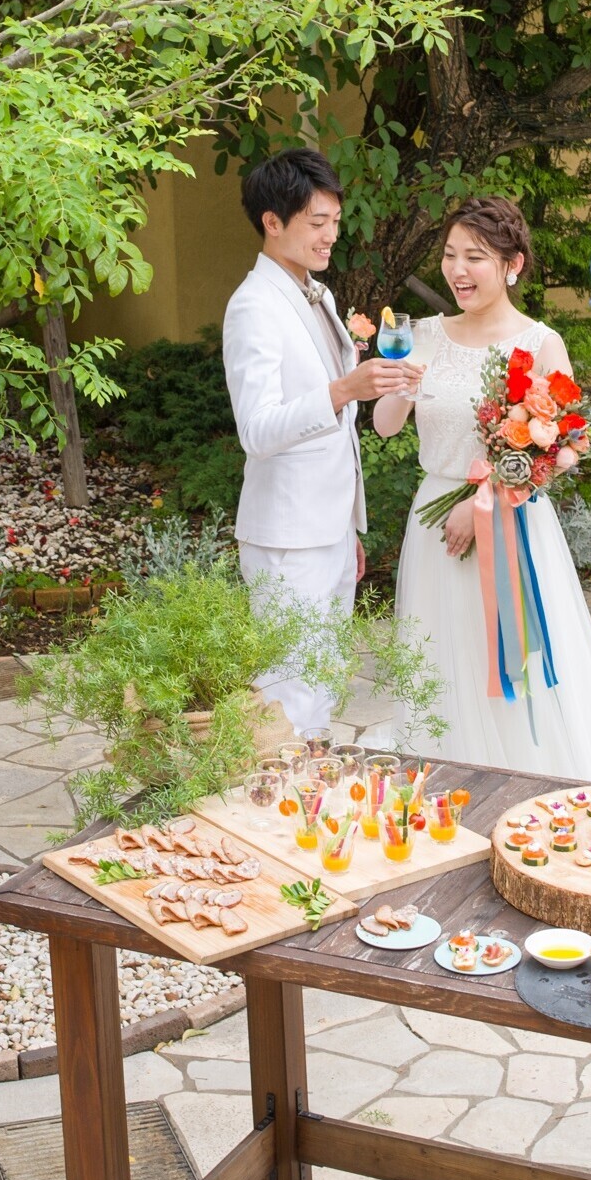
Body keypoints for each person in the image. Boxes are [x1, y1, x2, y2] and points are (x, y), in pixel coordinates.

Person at [376, 197, 591, 784]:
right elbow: (385, 425)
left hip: (511, 523)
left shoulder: (540, 342)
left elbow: (562, 448)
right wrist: (400, 381)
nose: (458, 270)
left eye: (475, 256)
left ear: (512, 265)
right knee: (443, 655)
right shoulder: (420, 333)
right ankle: (449, 781)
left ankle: (523, 778)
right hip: (434, 521)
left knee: (511, 660)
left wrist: (489, 500)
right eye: (450, 255)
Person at [222, 149, 416, 739]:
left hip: (327, 530)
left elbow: (337, 439)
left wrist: (348, 529)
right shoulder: (252, 306)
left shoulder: (319, 295)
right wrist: (341, 390)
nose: (332, 235)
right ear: (272, 222)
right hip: (285, 537)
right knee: (288, 691)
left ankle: (307, 802)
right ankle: (278, 807)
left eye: (334, 220)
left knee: (325, 680)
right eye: (317, 223)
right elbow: (256, 431)